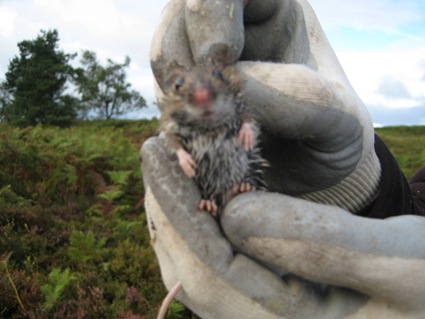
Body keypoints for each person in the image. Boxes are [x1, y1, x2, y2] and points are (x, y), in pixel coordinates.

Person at [141, 0, 425, 318]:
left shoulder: (233, 104)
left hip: (240, 177)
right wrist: (370, 194)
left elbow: (242, 119)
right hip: (219, 186)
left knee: (239, 179)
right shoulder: (184, 118)